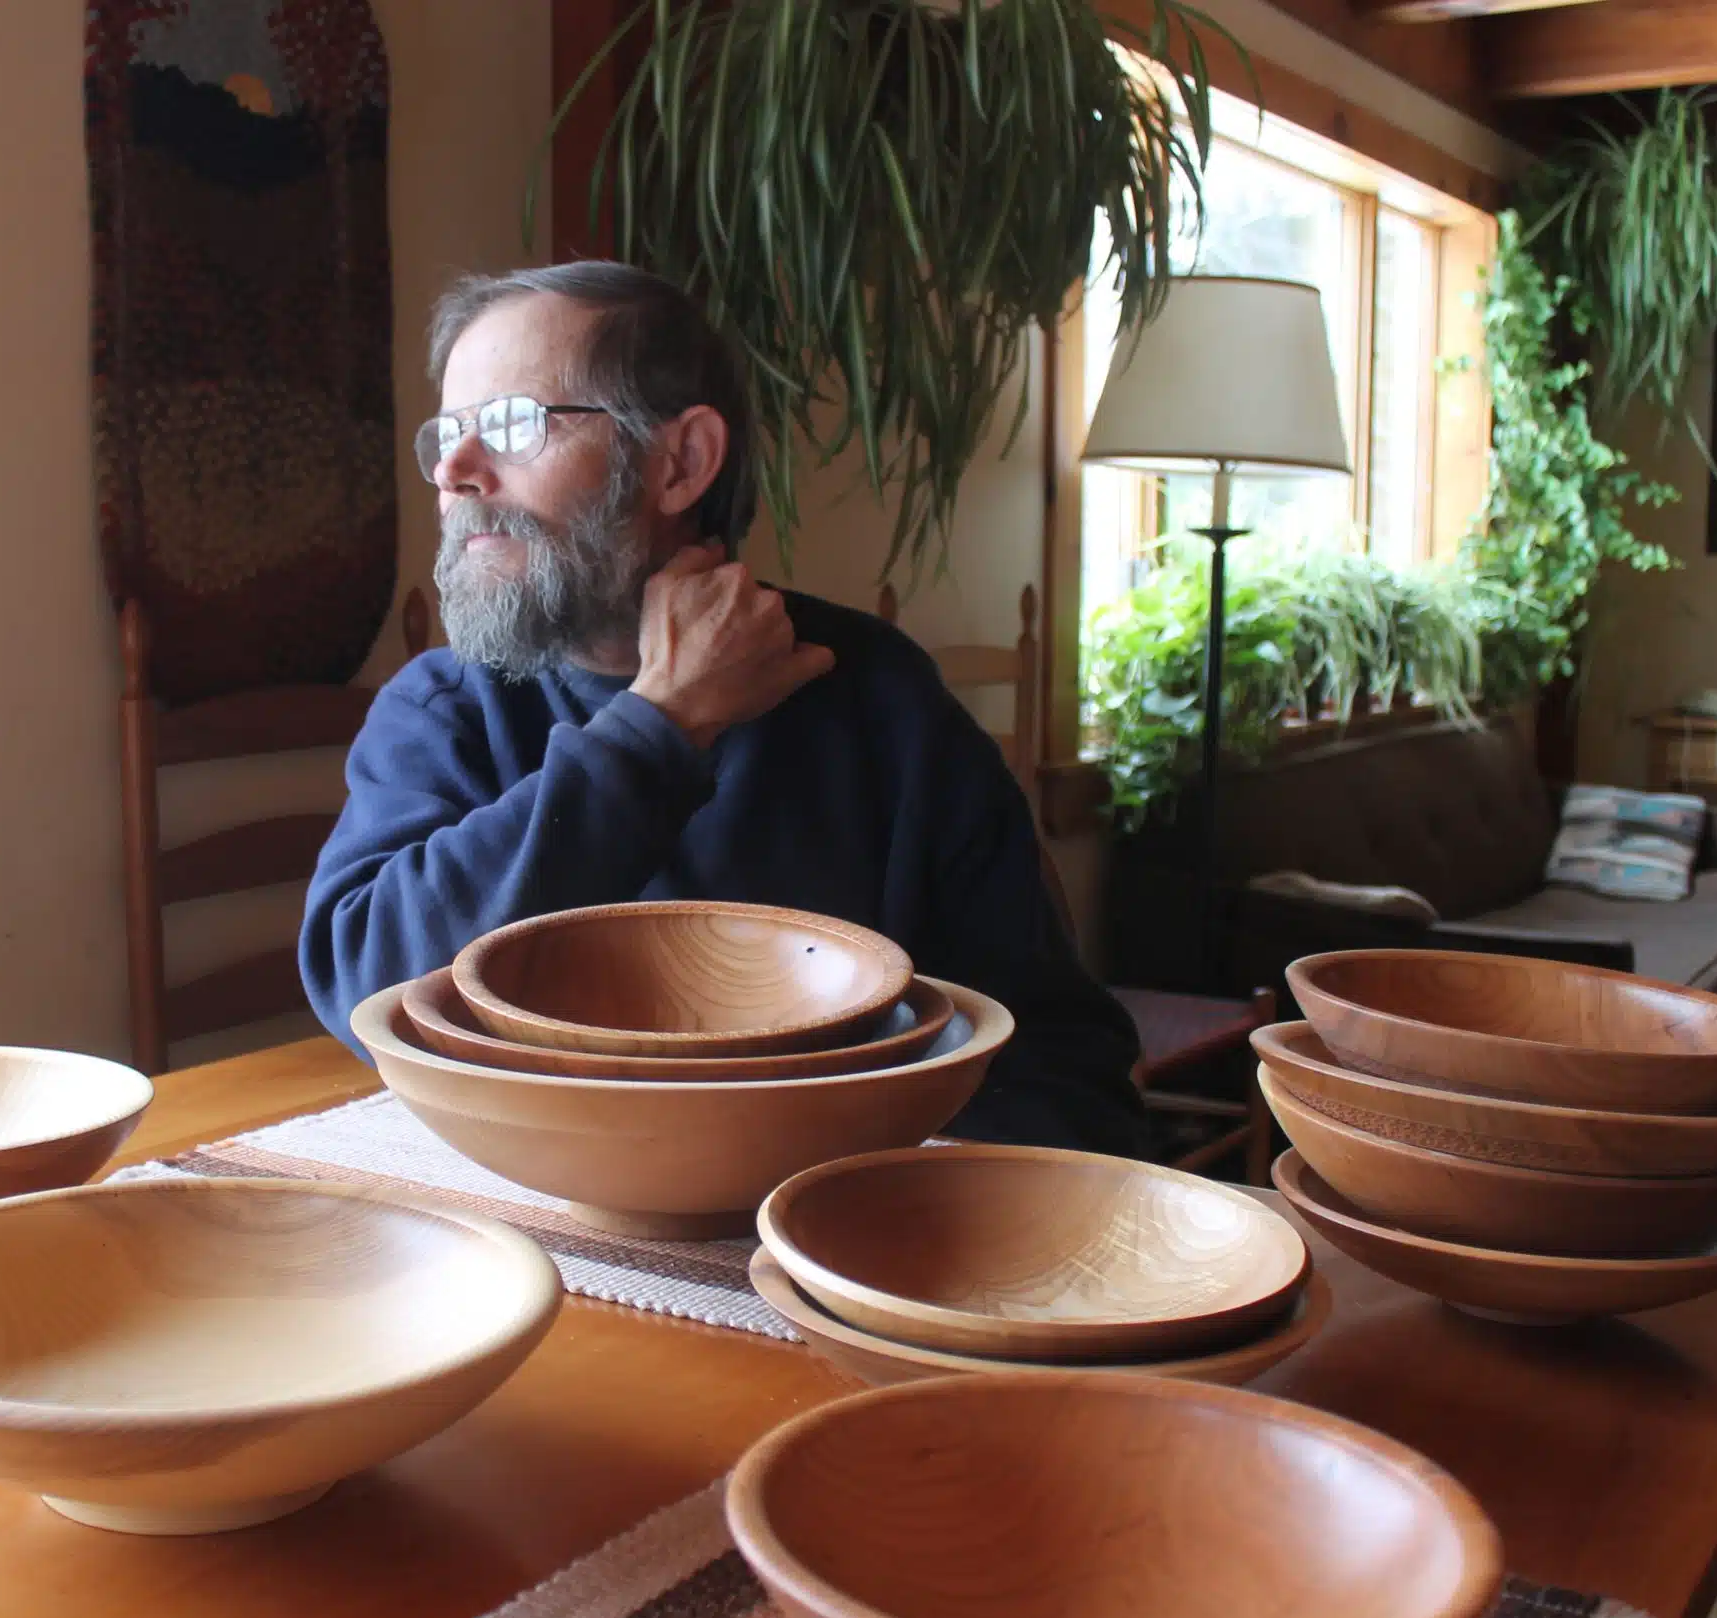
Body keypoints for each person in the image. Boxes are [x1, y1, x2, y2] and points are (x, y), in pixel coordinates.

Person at [298, 260, 1143, 1151]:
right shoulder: (443, 707)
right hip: (545, 1224)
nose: (455, 472)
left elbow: (1061, 1064)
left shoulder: (880, 699)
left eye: (510, 424)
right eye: (449, 433)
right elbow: (368, 988)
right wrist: (659, 727)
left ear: (682, 462)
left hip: (826, 1231)